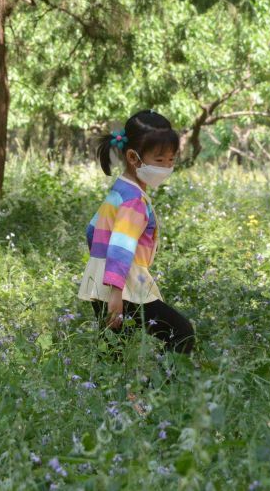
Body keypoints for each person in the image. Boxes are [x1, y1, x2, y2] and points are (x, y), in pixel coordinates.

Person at [77, 109, 196, 365]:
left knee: (111, 354)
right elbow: (121, 245)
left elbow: (91, 230)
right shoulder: (134, 201)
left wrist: (99, 268)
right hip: (124, 285)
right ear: (133, 157)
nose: (167, 167)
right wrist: (117, 292)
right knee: (182, 334)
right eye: (160, 160)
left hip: (102, 280)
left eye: (172, 160)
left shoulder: (120, 190)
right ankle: (156, 396)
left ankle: (114, 401)